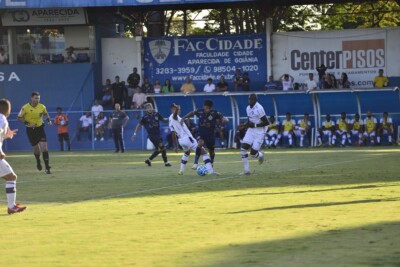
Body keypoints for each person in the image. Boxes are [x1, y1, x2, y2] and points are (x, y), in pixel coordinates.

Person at [169, 103, 218, 175]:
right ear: (174, 109)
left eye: (179, 109)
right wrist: (176, 108)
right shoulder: (175, 117)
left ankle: (181, 171)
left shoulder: (170, 120)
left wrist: (176, 146)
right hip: (187, 139)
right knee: (204, 153)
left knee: (186, 153)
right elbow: (175, 114)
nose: (179, 110)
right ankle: (211, 172)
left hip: (181, 140)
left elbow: (173, 134)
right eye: (178, 109)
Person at [180, 99, 228, 170]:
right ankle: (195, 163)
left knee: (211, 151)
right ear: (204, 106)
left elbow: (223, 118)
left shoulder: (215, 113)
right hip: (201, 133)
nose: (206, 110)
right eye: (205, 108)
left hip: (210, 135)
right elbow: (192, 113)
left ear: (210, 108)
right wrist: (183, 118)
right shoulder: (200, 111)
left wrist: (225, 120)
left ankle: (211, 162)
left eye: (208, 108)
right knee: (200, 143)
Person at [0, 99, 27, 214]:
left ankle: (12, 206)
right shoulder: (2, 119)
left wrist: (6, 136)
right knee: (11, 177)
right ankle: (11, 207)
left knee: (11, 177)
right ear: (8, 109)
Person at [17, 91, 53, 174]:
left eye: (39, 98)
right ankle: (38, 161)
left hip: (40, 128)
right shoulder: (25, 107)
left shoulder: (42, 106)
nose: (38, 100)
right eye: (36, 98)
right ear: (32, 98)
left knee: (44, 147)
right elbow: (19, 118)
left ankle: (47, 167)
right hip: (30, 130)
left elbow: (46, 114)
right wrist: (28, 123)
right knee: (36, 149)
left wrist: (49, 121)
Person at [131, 103, 171, 167]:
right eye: (148, 108)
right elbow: (139, 125)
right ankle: (166, 163)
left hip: (159, 134)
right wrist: (134, 134)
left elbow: (164, 120)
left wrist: (170, 118)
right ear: (146, 109)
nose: (149, 109)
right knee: (162, 147)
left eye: (150, 107)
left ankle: (149, 160)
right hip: (152, 136)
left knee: (159, 149)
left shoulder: (157, 114)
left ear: (152, 107)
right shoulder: (144, 117)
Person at [240, 94, 268, 175]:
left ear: (255, 100)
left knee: (253, 154)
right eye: (249, 99)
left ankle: (260, 155)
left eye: (252, 100)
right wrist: (244, 125)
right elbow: (250, 120)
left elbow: (266, 122)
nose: (250, 101)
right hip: (251, 130)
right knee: (243, 149)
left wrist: (255, 125)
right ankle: (247, 170)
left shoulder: (259, 108)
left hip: (260, 132)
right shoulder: (248, 108)